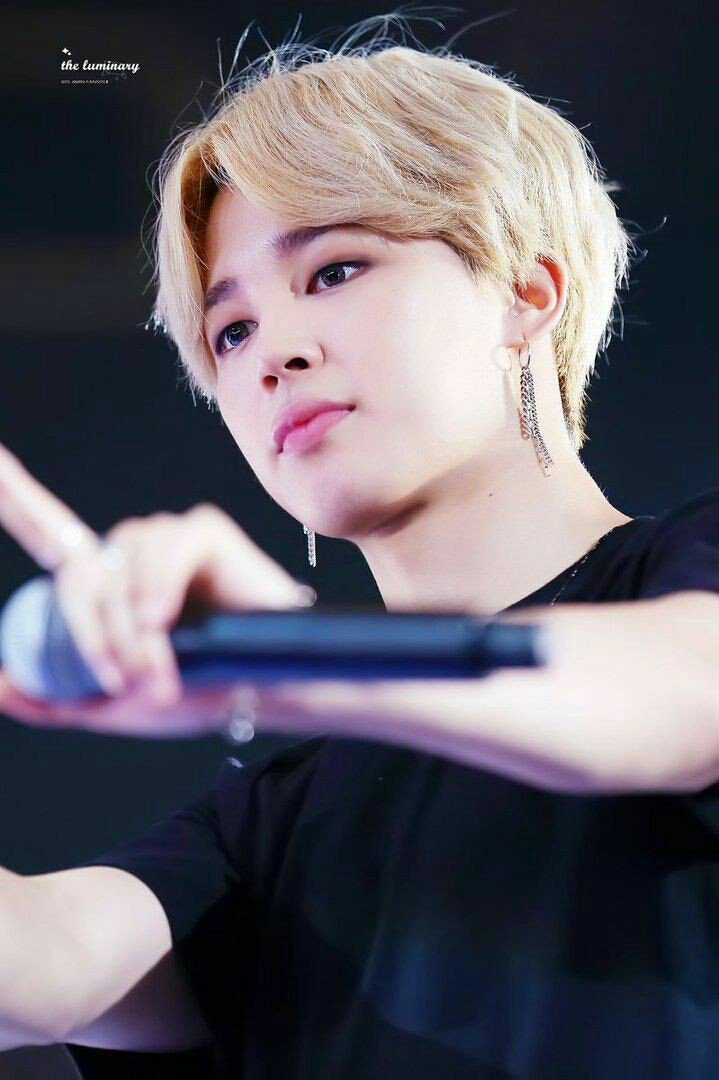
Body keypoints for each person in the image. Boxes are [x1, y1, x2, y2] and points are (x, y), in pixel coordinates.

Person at [1, 17, 718, 1079]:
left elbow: (679, 696)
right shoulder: (272, 819)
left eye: (335, 270)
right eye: (230, 331)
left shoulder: (684, 582)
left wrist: (282, 656)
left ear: (526, 292)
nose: (272, 355)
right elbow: (39, 965)